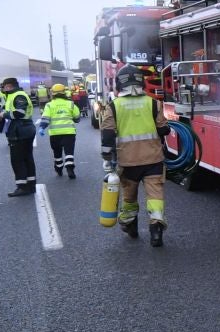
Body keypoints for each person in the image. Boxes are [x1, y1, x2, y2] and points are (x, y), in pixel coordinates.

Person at [96, 64, 169, 246]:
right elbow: (163, 129)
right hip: (153, 160)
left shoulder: (113, 106)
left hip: (128, 162)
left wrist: (107, 160)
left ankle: (130, 226)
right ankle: (156, 228)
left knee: (129, 197)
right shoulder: (153, 103)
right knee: (155, 194)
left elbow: (107, 134)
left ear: (119, 84)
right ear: (141, 82)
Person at [0, 76, 38, 196]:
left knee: (18, 159)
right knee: (27, 158)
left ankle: (22, 186)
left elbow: (19, 113)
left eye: (4, 87)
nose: (3, 89)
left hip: (20, 130)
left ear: (9, 86)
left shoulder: (18, 95)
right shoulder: (14, 95)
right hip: (23, 129)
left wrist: (3, 114)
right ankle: (30, 184)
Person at [43, 83, 80, 178]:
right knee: (69, 152)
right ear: (64, 93)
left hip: (55, 134)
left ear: (53, 94)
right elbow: (77, 117)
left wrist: (42, 127)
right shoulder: (71, 104)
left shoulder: (49, 105)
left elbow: (45, 118)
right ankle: (70, 168)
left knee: (57, 152)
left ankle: (59, 169)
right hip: (69, 133)